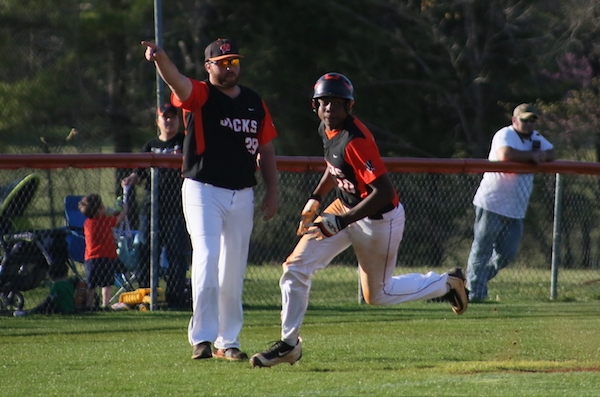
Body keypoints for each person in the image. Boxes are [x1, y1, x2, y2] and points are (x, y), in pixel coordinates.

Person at [249, 72, 468, 368]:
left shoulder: (355, 139)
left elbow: (383, 191)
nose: (329, 108)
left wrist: (340, 222)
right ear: (315, 105)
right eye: (324, 102)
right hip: (345, 207)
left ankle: (445, 284)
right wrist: (315, 197)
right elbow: (335, 167)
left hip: (379, 219)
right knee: (295, 268)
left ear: (349, 107)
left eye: (337, 103)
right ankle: (289, 344)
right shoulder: (326, 129)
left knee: (378, 295)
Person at [141, 37, 279, 361]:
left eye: (234, 61)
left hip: (243, 192)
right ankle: (201, 338)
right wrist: (160, 59)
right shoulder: (202, 95)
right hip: (203, 188)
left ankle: (227, 341)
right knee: (206, 255)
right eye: (223, 62)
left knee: (233, 269)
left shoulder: (254, 102)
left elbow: (267, 148)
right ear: (208, 67)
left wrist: (272, 190)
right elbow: (177, 80)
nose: (230, 67)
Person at [465, 103, 555, 302]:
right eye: (525, 120)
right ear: (515, 120)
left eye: (532, 120)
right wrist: (532, 156)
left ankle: (472, 280)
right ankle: (474, 291)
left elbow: (552, 152)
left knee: (508, 253)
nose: (529, 124)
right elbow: (505, 155)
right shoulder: (504, 134)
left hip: (516, 208)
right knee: (482, 247)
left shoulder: (536, 138)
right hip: (493, 202)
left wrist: (542, 155)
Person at [122, 102, 191, 309]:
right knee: (145, 249)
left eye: (173, 116)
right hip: (151, 209)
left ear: (178, 120)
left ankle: (176, 298)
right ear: (158, 121)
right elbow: (140, 172)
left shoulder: (184, 141)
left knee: (176, 253)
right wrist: (132, 178)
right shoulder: (150, 145)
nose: (169, 120)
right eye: (165, 117)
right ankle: (145, 295)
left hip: (177, 209)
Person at [78, 193, 129, 309]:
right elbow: (119, 219)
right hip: (107, 256)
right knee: (106, 284)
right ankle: (106, 304)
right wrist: (125, 209)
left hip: (91, 258)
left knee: (91, 284)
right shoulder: (105, 220)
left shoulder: (87, 223)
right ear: (98, 210)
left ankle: (89, 305)